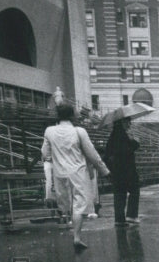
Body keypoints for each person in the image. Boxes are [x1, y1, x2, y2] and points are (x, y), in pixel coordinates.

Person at [41, 103, 111, 250]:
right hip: (78, 172)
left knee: (66, 203)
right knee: (79, 205)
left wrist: (54, 159)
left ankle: (67, 222)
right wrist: (104, 171)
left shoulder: (49, 131)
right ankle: (77, 237)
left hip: (60, 172)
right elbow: (92, 154)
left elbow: (45, 153)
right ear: (72, 115)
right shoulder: (79, 131)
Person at [104, 117, 142, 226]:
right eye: (128, 121)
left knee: (119, 194)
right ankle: (131, 215)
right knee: (134, 189)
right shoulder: (121, 135)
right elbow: (126, 151)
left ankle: (119, 219)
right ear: (122, 122)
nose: (129, 124)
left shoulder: (114, 135)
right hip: (127, 169)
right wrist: (136, 143)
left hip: (117, 170)